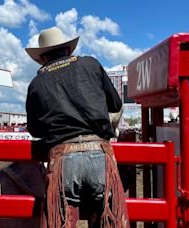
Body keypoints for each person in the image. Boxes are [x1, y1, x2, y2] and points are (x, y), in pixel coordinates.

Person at [25, 27, 129, 228]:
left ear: (42, 58)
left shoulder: (37, 82)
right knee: (108, 218)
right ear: (68, 50)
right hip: (99, 154)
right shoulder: (91, 64)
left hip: (62, 159)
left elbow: (35, 130)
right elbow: (115, 104)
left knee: (60, 220)